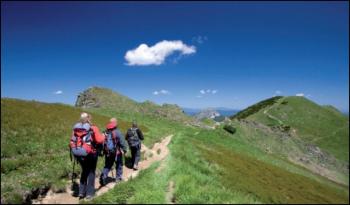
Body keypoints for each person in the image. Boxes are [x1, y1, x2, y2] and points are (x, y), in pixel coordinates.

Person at [69, 112, 104, 200]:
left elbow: (72, 140)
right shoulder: (93, 128)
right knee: (91, 172)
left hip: (78, 153)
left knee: (84, 171)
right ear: (89, 119)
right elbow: (99, 140)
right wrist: (104, 136)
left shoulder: (75, 128)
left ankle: (81, 192)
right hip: (90, 153)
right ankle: (90, 194)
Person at [99, 118, 128, 186]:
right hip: (116, 153)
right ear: (115, 123)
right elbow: (122, 142)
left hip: (107, 152)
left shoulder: (105, 132)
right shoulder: (117, 132)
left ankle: (103, 176)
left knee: (108, 165)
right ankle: (118, 178)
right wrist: (125, 150)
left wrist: (103, 152)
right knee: (119, 164)